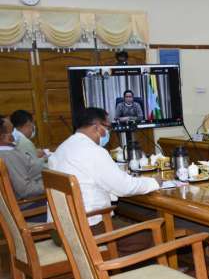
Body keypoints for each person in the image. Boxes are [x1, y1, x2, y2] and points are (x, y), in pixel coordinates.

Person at [48, 107, 160, 254]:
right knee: (151, 236)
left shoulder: (62, 148)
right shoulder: (93, 151)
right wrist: (155, 182)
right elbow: (124, 187)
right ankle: (105, 265)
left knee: (128, 225)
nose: (109, 132)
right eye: (108, 127)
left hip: (60, 228)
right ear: (97, 127)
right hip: (84, 229)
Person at [0, 114, 44, 199]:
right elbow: (25, 190)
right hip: (31, 201)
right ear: (3, 136)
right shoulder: (8, 156)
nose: (15, 134)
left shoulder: (9, 150)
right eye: (12, 131)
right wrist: (52, 185)